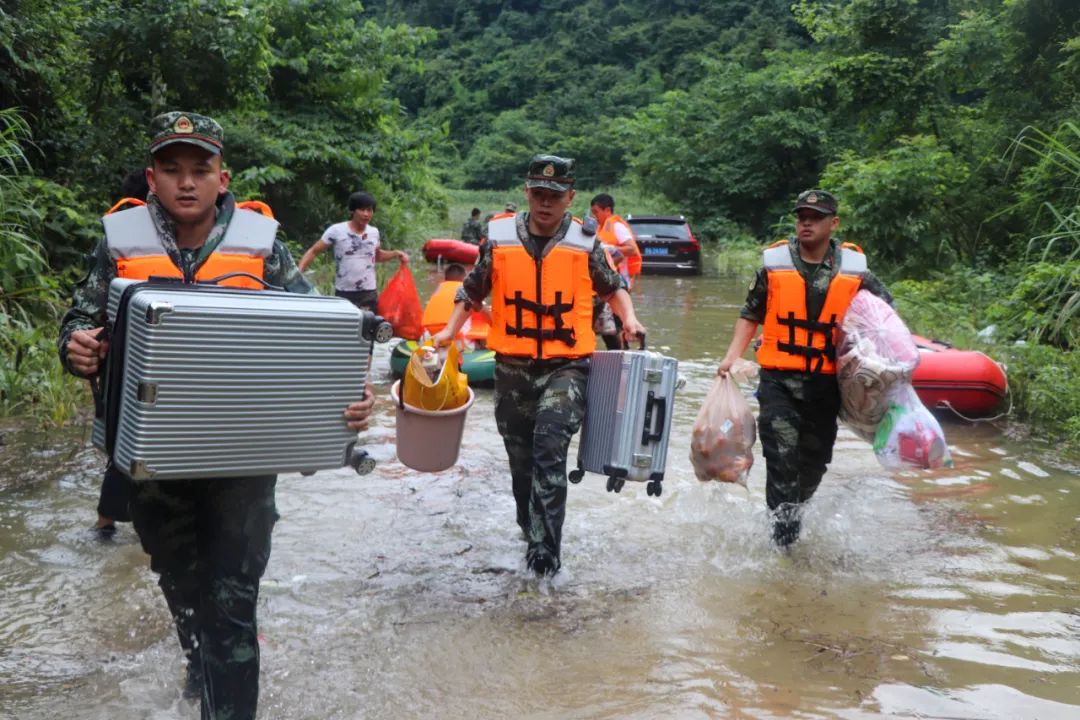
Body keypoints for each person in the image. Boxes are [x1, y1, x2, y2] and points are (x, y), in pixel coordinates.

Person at [58, 111, 375, 719]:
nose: (186, 183)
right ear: (151, 178)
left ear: (222, 178)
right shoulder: (118, 240)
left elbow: (323, 336)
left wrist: (354, 395)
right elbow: (79, 319)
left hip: (241, 464)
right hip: (153, 464)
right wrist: (77, 347)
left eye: (200, 170)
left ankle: (225, 696)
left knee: (231, 606)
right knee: (182, 591)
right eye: (172, 170)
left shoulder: (263, 245)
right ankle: (200, 671)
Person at [432, 154, 646, 576]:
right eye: (538, 193)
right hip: (512, 367)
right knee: (521, 462)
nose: (545, 202)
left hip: (567, 366)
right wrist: (448, 332)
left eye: (555, 195)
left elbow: (613, 288)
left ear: (571, 198)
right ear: (526, 193)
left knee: (550, 445)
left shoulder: (586, 244)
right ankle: (530, 533)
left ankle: (546, 556)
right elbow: (471, 291)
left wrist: (630, 318)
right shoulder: (498, 239)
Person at [715, 189, 892, 547]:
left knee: (813, 464)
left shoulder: (855, 270)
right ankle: (783, 547)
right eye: (801, 216)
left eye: (814, 217)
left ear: (833, 223)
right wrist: (731, 357)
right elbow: (751, 313)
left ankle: (790, 517)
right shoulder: (774, 263)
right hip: (779, 380)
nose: (805, 223)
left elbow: (883, 314)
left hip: (827, 384)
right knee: (781, 459)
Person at [92, 168, 153, 538]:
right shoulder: (120, 240)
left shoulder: (120, 232)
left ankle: (106, 526)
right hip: (129, 365)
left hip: (126, 365)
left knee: (122, 450)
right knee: (124, 452)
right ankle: (106, 523)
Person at [297, 190, 407, 311]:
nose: (366, 214)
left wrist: (396, 254)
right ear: (352, 211)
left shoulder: (374, 232)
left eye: (369, 210)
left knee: (368, 327)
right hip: (344, 292)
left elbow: (377, 256)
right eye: (362, 210)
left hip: (369, 292)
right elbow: (313, 251)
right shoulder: (336, 231)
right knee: (345, 327)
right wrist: (297, 274)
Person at [589, 193, 642, 349]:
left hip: (617, 284)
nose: (594, 216)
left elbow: (632, 249)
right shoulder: (600, 229)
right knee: (610, 329)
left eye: (596, 211)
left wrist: (611, 250)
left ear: (607, 210)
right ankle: (619, 358)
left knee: (615, 329)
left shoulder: (617, 226)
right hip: (605, 284)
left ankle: (623, 359)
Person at [421, 263, 490, 344]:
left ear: (445, 279)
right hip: (456, 338)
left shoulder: (439, 289)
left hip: (429, 336)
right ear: (465, 279)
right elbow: (485, 312)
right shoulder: (467, 289)